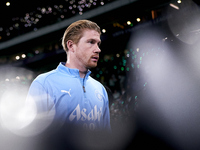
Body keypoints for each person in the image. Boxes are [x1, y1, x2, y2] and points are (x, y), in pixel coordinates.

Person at [25, 20, 111, 134]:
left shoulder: (100, 89)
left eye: (98, 44)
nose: (98, 49)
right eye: (91, 42)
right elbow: (30, 137)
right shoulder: (44, 83)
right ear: (71, 45)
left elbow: (106, 137)